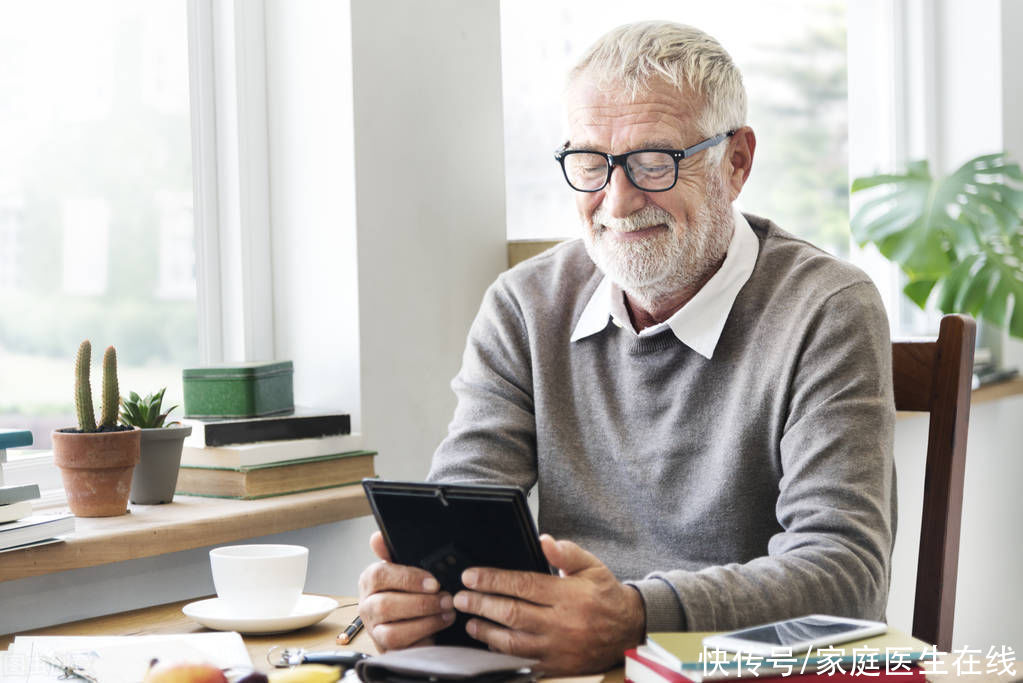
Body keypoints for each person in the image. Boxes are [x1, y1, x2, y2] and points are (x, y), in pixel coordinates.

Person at [358, 20, 896, 676]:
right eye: (589, 162)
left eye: (653, 160)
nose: (616, 199)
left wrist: (634, 618)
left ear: (735, 162)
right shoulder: (524, 305)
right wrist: (422, 594)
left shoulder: (825, 307)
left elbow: (845, 576)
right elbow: (460, 516)